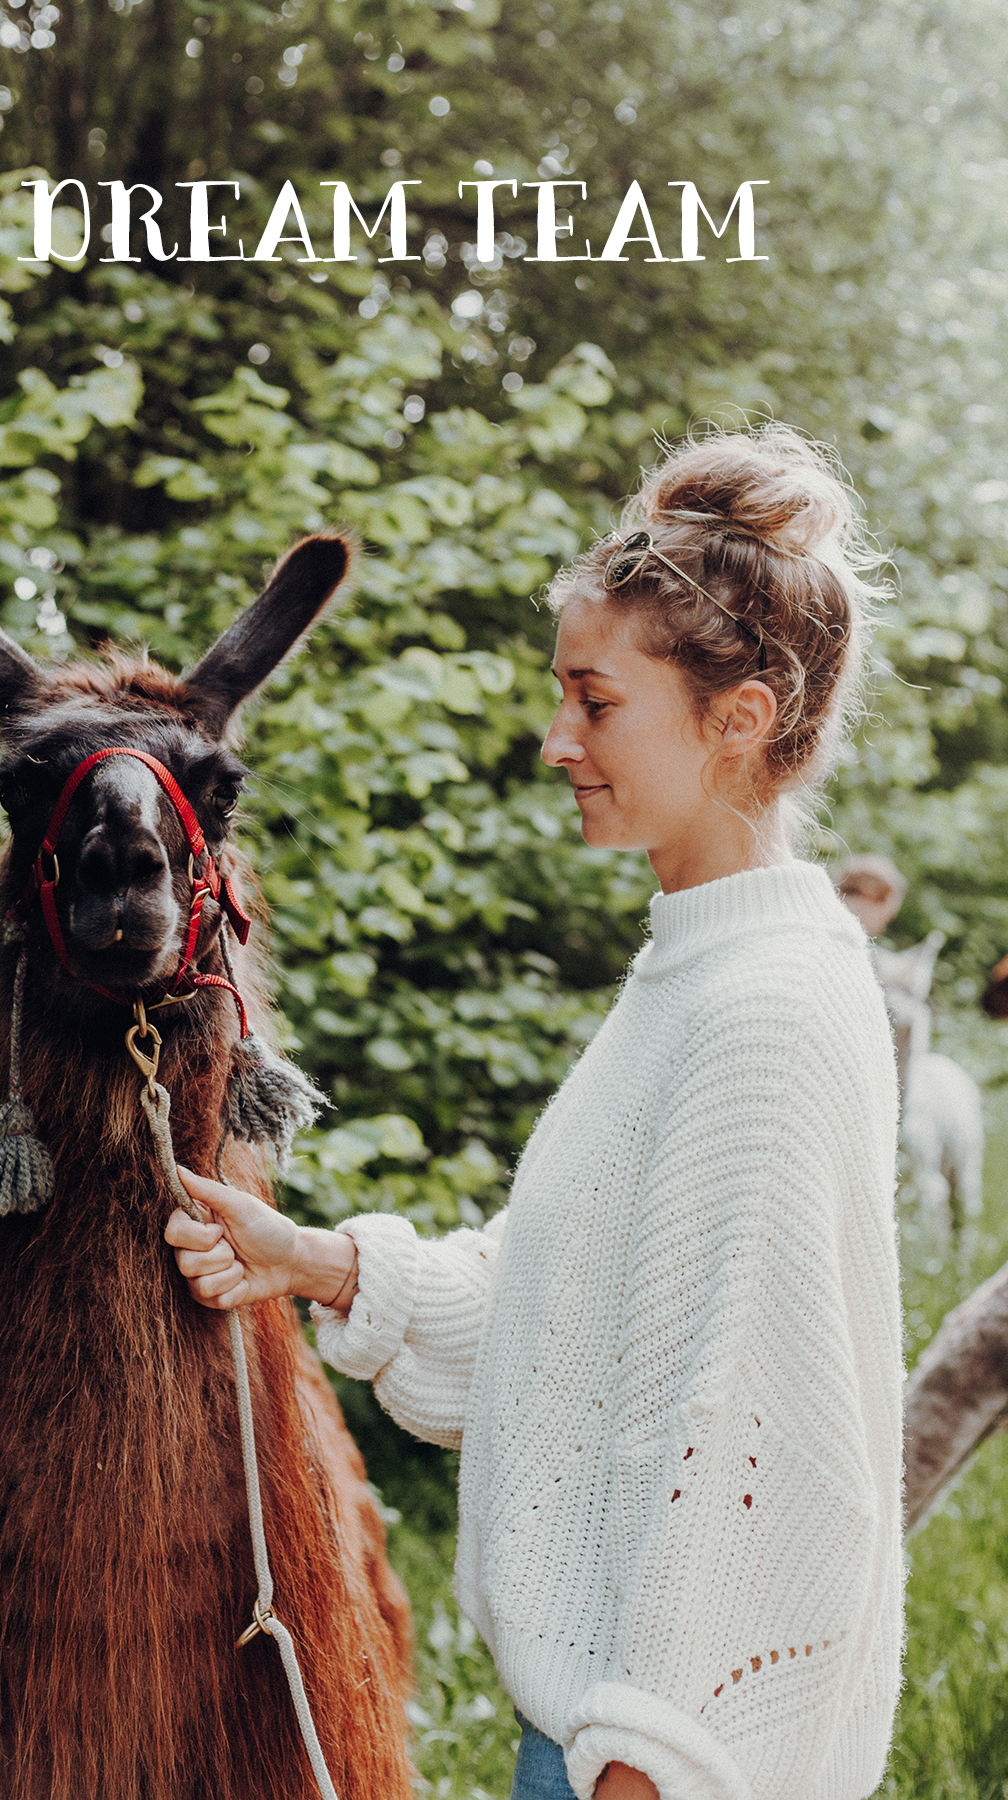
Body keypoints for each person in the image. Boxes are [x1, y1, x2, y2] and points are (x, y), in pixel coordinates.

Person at [166, 424, 904, 1800]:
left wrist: (636, 1773)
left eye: (597, 701)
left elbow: (752, 1460)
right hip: (596, 1739)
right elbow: (575, 1302)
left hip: (651, 1765)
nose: (558, 739)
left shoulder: (764, 1014)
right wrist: (315, 1259)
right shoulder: (703, 969)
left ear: (737, 719)